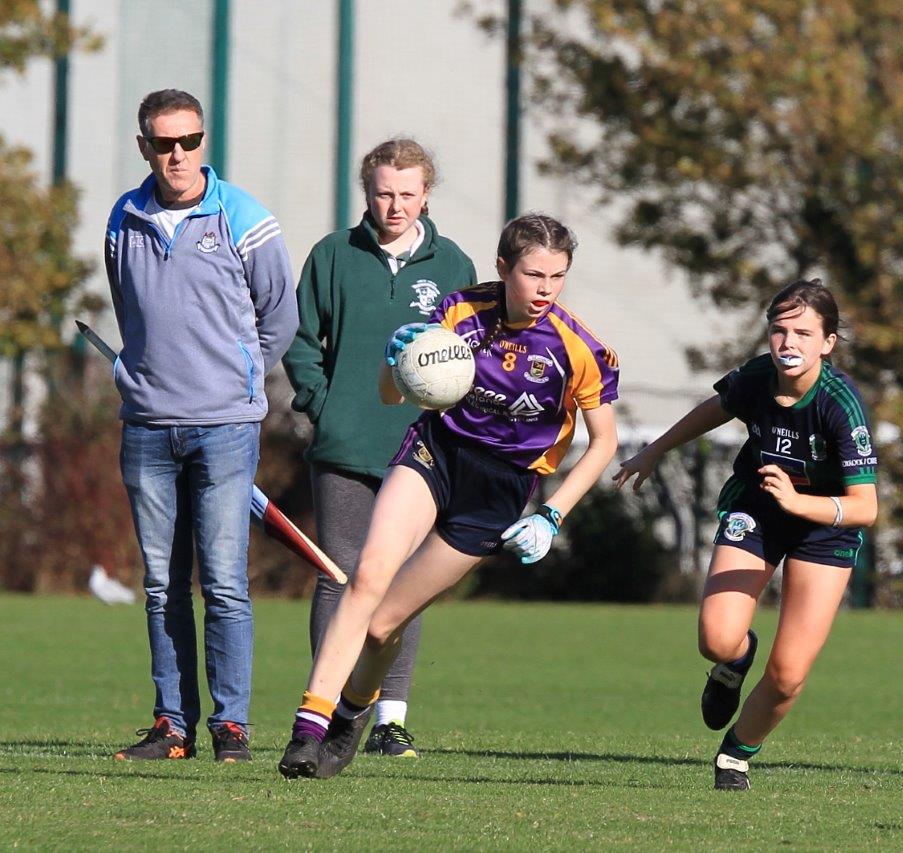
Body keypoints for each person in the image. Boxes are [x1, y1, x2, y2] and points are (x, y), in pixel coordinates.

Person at [277, 213, 620, 779]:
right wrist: (398, 359)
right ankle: (307, 729)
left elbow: (603, 442)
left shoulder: (575, 347)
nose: (544, 290)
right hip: (435, 453)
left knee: (386, 625)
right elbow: (395, 397)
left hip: (500, 490)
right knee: (364, 579)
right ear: (503, 267)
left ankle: (352, 716)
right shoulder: (460, 313)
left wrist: (553, 515)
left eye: (557, 277)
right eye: (533, 275)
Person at [615, 279, 878, 791]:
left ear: (828, 342)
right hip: (758, 511)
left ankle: (737, 752)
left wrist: (800, 502)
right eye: (779, 331)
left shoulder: (840, 404)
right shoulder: (759, 377)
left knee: (787, 676)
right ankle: (734, 662)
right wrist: (655, 450)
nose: (788, 343)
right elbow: (716, 408)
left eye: (803, 332)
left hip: (825, 530)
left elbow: (865, 507)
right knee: (716, 639)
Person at [105, 89, 298, 762]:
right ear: (145, 148)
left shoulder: (245, 218)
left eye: (189, 141)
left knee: (223, 581)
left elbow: (280, 316)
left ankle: (232, 725)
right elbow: (130, 310)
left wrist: (239, 383)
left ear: (203, 142)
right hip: (148, 429)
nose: (177, 154)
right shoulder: (122, 218)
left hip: (224, 429)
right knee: (162, 583)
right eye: (164, 143)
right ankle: (172, 724)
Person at [282, 138, 476, 758]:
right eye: (384, 192)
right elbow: (300, 340)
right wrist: (323, 405)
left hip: (422, 453)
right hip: (344, 446)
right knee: (339, 576)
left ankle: (389, 718)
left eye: (408, 193)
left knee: (402, 583)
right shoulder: (333, 255)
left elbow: (470, 357)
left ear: (426, 193)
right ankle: (327, 708)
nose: (395, 206)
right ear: (367, 192)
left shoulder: (454, 266)